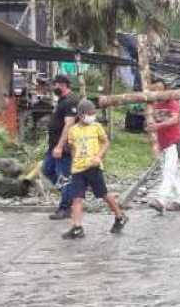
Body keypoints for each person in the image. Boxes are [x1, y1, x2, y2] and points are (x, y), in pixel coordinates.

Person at [53, 99, 128, 238]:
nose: (92, 116)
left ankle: (120, 215)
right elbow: (73, 148)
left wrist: (98, 156)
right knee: (76, 198)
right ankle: (77, 227)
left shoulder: (96, 127)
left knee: (104, 194)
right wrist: (73, 161)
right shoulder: (73, 131)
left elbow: (105, 142)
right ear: (80, 115)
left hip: (93, 167)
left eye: (93, 113)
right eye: (89, 114)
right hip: (78, 170)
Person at [147, 79, 180, 214]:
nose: (157, 92)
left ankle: (161, 200)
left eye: (160, 89)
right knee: (172, 173)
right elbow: (150, 121)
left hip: (173, 142)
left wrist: (157, 126)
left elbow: (175, 119)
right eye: (155, 89)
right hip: (163, 143)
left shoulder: (173, 103)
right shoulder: (153, 105)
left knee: (168, 171)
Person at [43, 75, 78, 220]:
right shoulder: (62, 100)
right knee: (47, 170)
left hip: (62, 147)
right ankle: (69, 194)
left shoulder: (71, 101)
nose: (53, 88)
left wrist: (60, 146)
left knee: (64, 176)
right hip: (53, 145)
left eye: (55, 85)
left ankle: (65, 208)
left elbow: (69, 125)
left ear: (63, 85)